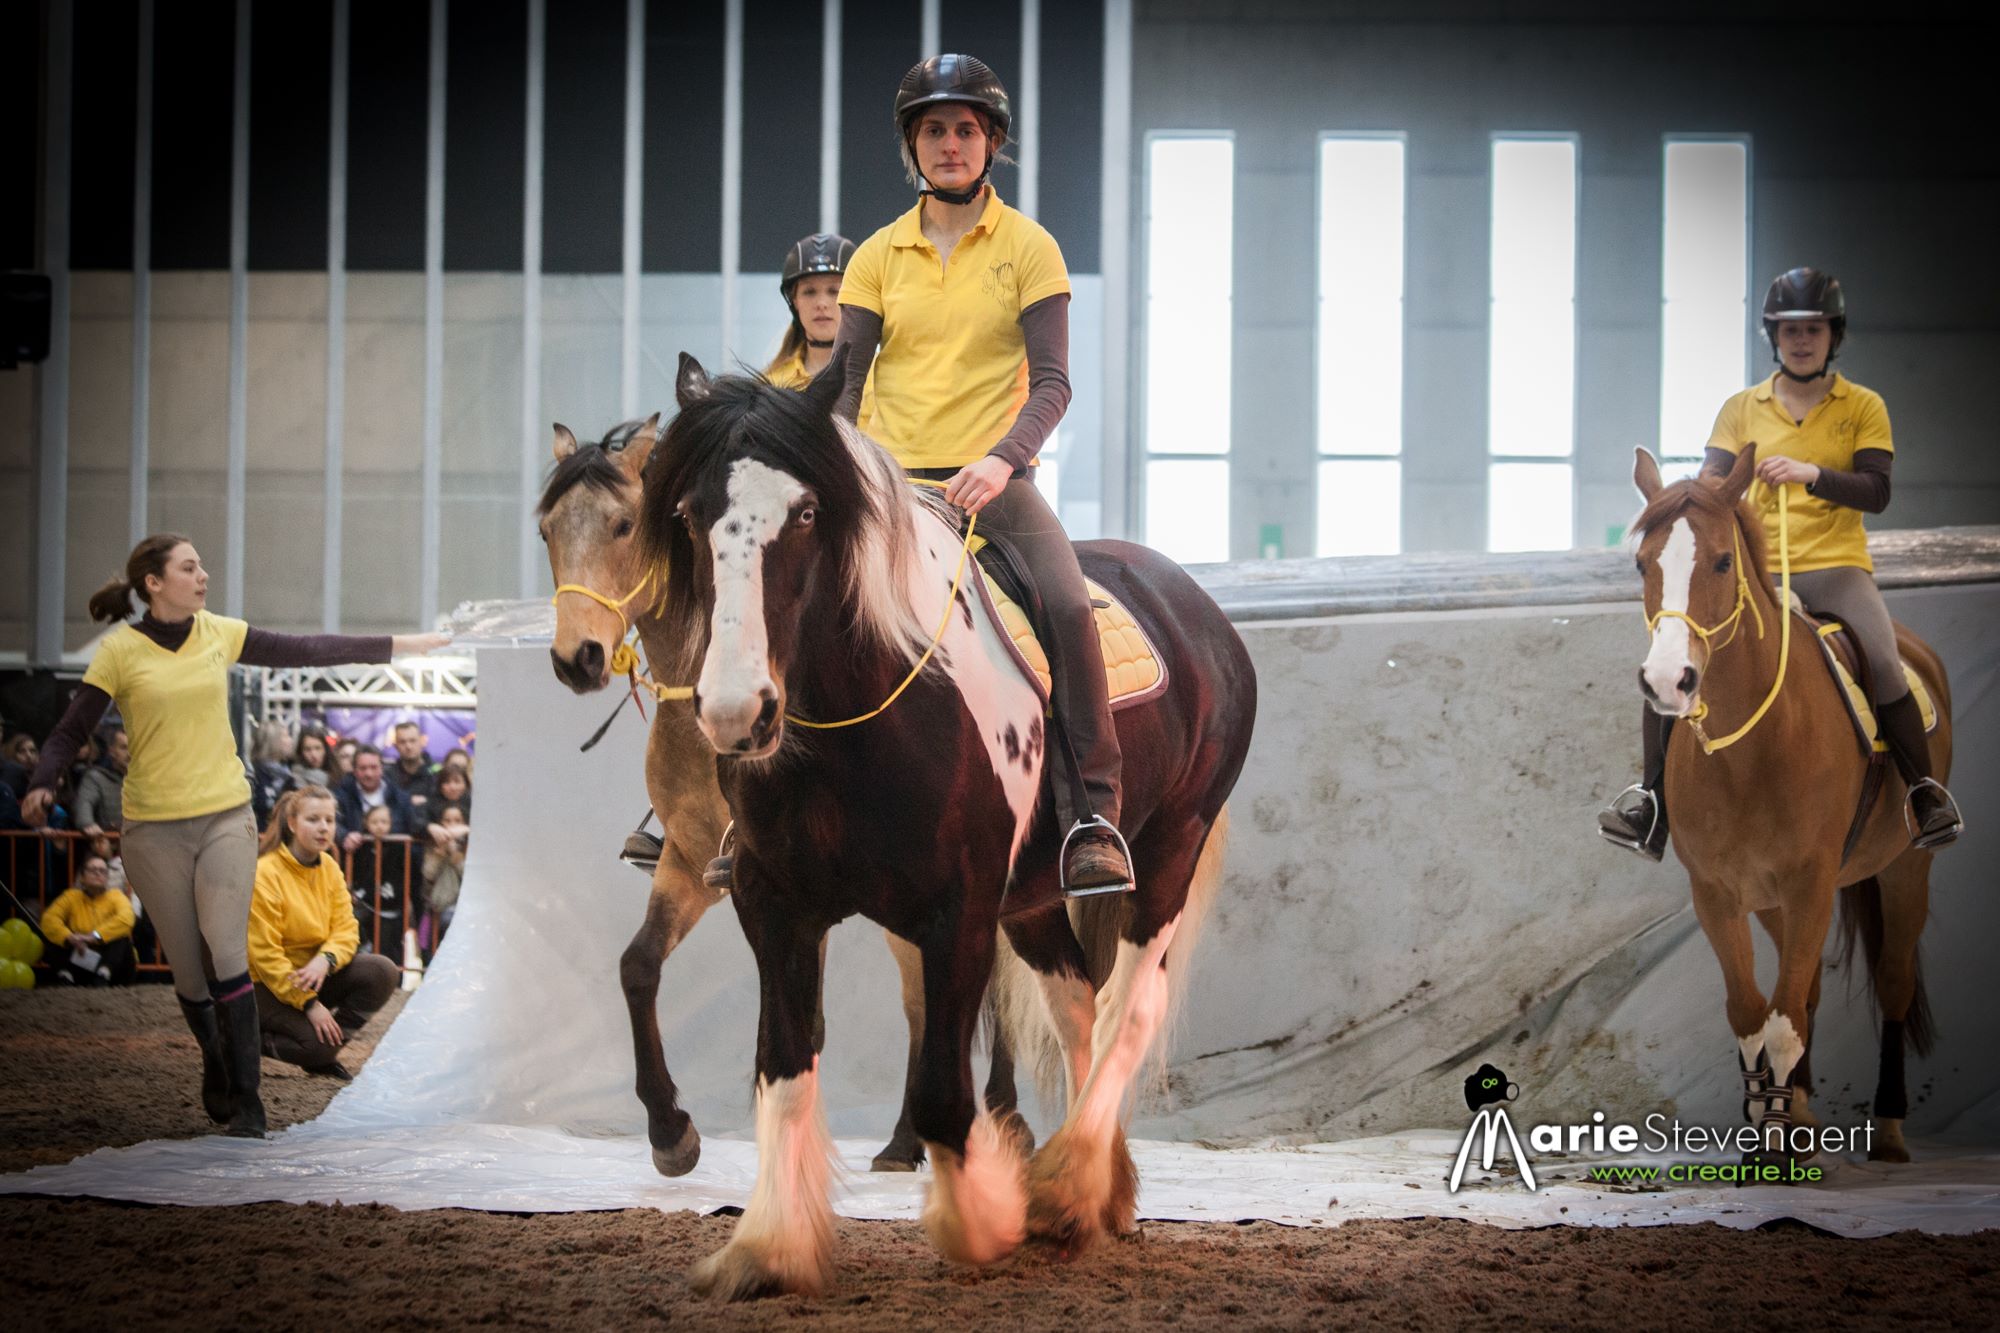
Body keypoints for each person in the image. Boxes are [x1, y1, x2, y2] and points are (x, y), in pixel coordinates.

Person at [20, 533, 449, 1136]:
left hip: (226, 814)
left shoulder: (217, 632)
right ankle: (217, 1061)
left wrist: (402, 645)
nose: (203, 577)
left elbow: (309, 649)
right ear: (153, 582)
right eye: (190, 568)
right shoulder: (118, 651)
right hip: (151, 829)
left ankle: (249, 1105)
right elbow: (68, 731)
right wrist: (43, 782)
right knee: (190, 973)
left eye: (202, 567)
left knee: (225, 951)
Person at [832, 53, 1128, 893]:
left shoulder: (1031, 248)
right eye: (934, 130)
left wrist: (1001, 460)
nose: (950, 143)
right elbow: (845, 387)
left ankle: (1093, 818)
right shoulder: (877, 257)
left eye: (966, 129)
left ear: (990, 142)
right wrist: (837, 470)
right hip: (891, 485)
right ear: (912, 147)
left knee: (1069, 606)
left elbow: (1054, 383)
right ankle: (753, 810)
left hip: (994, 485)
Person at [1599, 268, 1964, 859]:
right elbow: (1713, 485)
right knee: (1679, 665)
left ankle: (1923, 796)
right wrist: (1700, 492)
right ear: (1774, 336)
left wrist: (1811, 474)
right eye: (1789, 329)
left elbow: (1877, 491)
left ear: (1833, 336)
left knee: (1884, 662)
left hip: (1837, 567)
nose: (1801, 340)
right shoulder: (1742, 409)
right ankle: (1652, 803)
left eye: (1813, 329)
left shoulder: (1863, 407)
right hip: (1759, 575)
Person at [248, 787, 400, 1078]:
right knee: (316, 1049)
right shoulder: (265, 873)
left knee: (383, 970)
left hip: (313, 973)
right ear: (292, 823)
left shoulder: (329, 866)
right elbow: (265, 956)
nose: (323, 828)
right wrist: (309, 1004)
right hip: (265, 985)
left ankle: (326, 1044)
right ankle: (239, 1037)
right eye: (313, 819)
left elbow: (346, 929)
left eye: (329, 820)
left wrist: (325, 959)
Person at [767, 233, 856, 388]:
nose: (821, 304)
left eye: (834, 291)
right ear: (794, 301)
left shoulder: (881, 380)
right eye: (809, 292)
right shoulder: (771, 386)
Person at [38, 853, 137, 985]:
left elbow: (127, 918)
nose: (98, 874)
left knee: (122, 939)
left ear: (107, 877)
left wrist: (94, 936)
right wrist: (69, 937)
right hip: (79, 951)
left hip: (107, 957)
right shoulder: (71, 896)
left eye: (102, 871)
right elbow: (49, 919)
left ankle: (104, 973)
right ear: (82, 877)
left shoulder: (116, 896)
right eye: (92, 870)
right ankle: (65, 976)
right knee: (51, 936)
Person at [72, 726, 127, 837]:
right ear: (112, 751)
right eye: (124, 747)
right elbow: (84, 803)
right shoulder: (95, 777)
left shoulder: (146, 779)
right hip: (109, 844)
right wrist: (88, 824)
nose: (130, 753)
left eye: (133, 747)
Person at [384, 720, 440, 823]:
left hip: (430, 833)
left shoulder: (437, 773)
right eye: (402, 742)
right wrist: (408, 800)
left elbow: (440, 805)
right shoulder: (387, 775)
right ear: (395, 746)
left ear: (422, 741)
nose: (408, 746)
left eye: (412, 740)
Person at [249, 720, 298, 830]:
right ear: (273, 741)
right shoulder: (255, 774)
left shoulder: (288, 773)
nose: (290, 740)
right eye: (285, 736)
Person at [291, 725, 332, 789]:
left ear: (325, 750)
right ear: (301, 752)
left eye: (318, 748)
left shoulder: (338, 779)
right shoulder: (293, 781)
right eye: (307, 749)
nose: (313, 755)